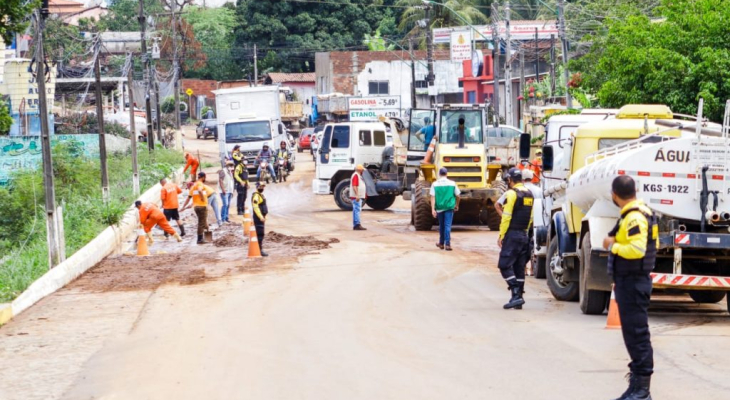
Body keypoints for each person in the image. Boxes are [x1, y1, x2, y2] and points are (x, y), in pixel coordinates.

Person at [603, 175, 656, 400]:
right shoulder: (633, 214)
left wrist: (613, 245)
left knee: (637, 335)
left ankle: (642, 390)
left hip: (634, 282)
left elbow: (636, 250)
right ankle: (636, 387)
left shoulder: (635, 217)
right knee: (633, 336)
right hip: (630, 282)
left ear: (614, 194)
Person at [497, 167, 534, 310]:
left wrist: (501, 235)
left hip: (512, 234)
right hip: (524, 235)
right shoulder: (529, 194)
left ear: (510, 180)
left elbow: (506, 217)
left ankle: (516, 294)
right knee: (519, 268)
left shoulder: (512, 194)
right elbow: (530, 217)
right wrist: (525, 232)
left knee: (504, 265)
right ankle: (518, 298)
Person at [430, 167, 461, 251]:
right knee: (447, 225)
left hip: (439, 207)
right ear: (447, 174)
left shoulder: (435, 184)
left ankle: (441, 243)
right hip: (449, 207)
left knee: (441, 226)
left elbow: (432, 197)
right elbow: (458, 196)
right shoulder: (452, 183)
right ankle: (447, 244)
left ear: (439, 174)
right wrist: (456, 205)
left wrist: (433, 209)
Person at [181, 172, 214, 244]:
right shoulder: (200, 184)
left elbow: (188, 198)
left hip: (196, 207)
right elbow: (199, 190)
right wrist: (203, 198)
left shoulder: (193, 186)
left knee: (203, 220)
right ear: (203, 177)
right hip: (202, 206)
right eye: (205, 177)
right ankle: (199, 239)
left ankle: (207, 231)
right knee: (201, 222)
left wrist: (183, 207)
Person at [252, 182, 269, 257]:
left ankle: (259, 249)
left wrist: (264, 216)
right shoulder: (256, 196)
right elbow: (255, 207)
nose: (262, 188)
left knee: (261, 233)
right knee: (259, 234)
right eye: (261, 187)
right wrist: (260, 216)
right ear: (257, 187)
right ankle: (259, 250)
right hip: (258, 218)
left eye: (263, 187)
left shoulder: (260, 195)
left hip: (261, 217)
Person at [350, 164, 367, 231]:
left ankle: (356, 224)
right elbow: (355, 185)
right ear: (360, 170)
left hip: (356, 196)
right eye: (362, 170)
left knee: (355, 210)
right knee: (357, 210)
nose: (363, 171)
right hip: (356, 196)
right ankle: (357, 224)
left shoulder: (357, 175)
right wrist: (357, 195)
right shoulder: (356, 175)